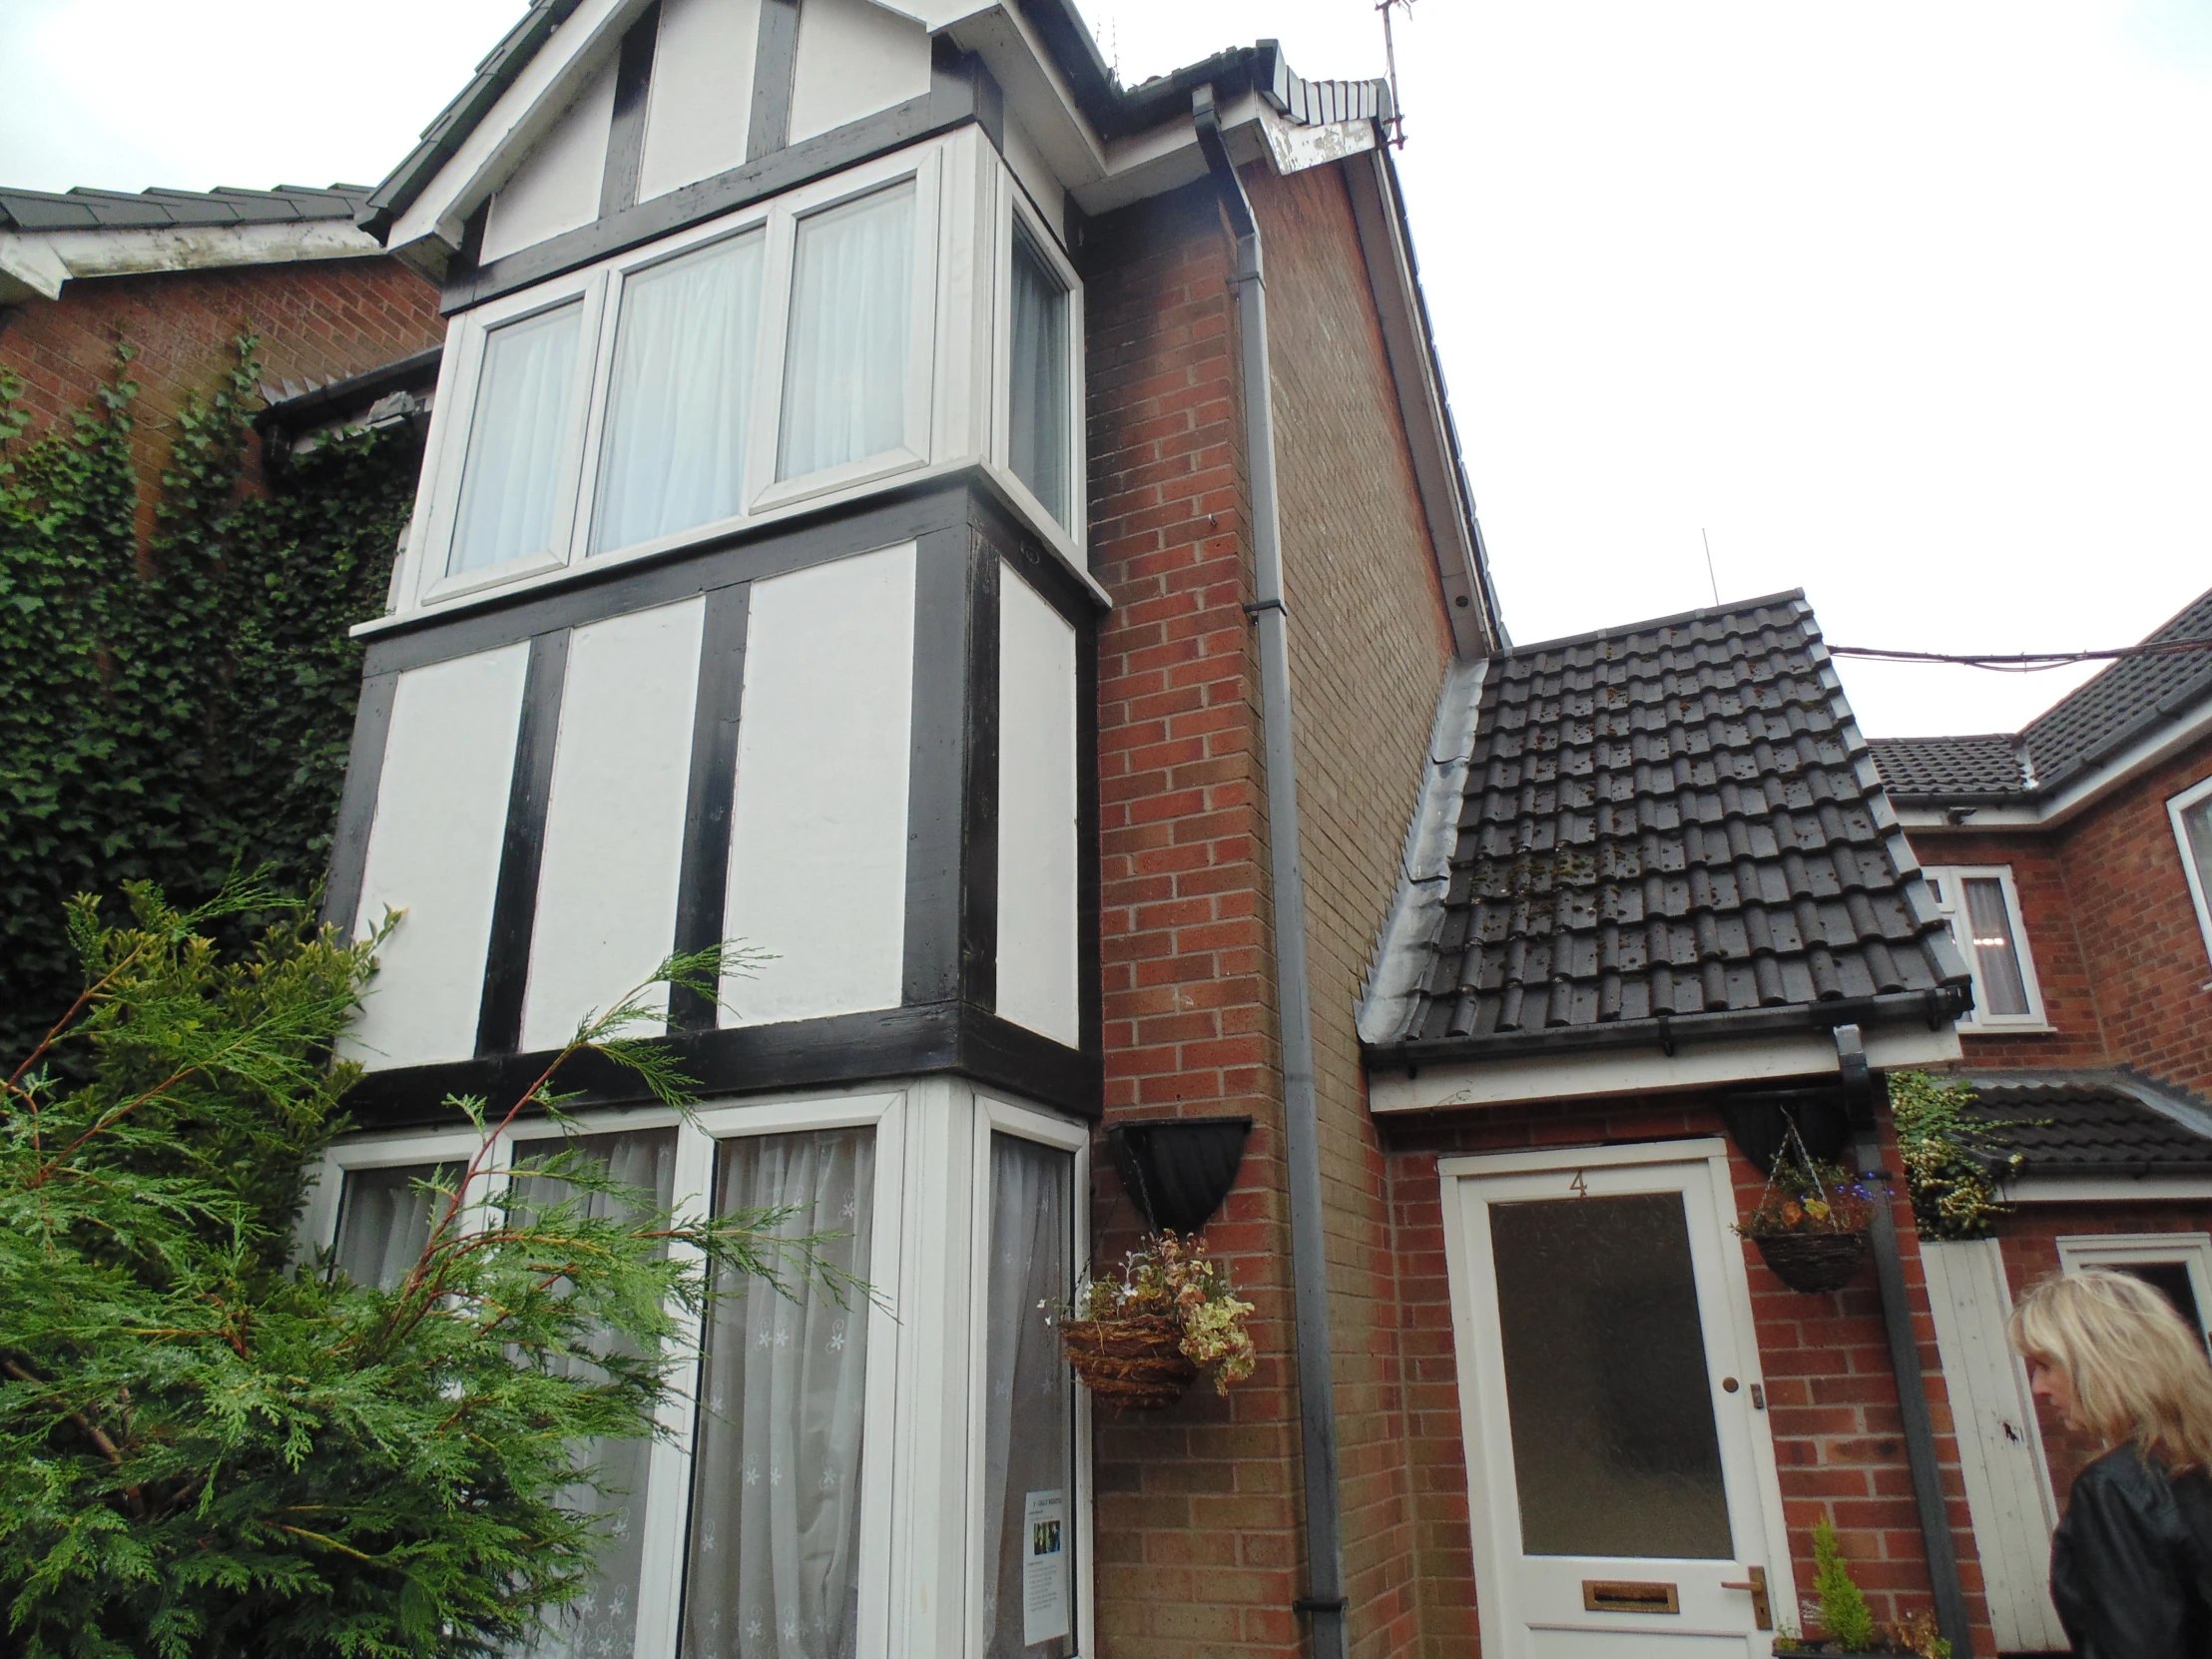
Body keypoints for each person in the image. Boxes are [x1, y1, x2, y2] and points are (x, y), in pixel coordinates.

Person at [2011, 1268, 2212, 1658]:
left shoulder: (2116, 1487)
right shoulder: (2195, 1460)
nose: (2038, 1387)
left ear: (2104, 1363)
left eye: (2047, 1365)